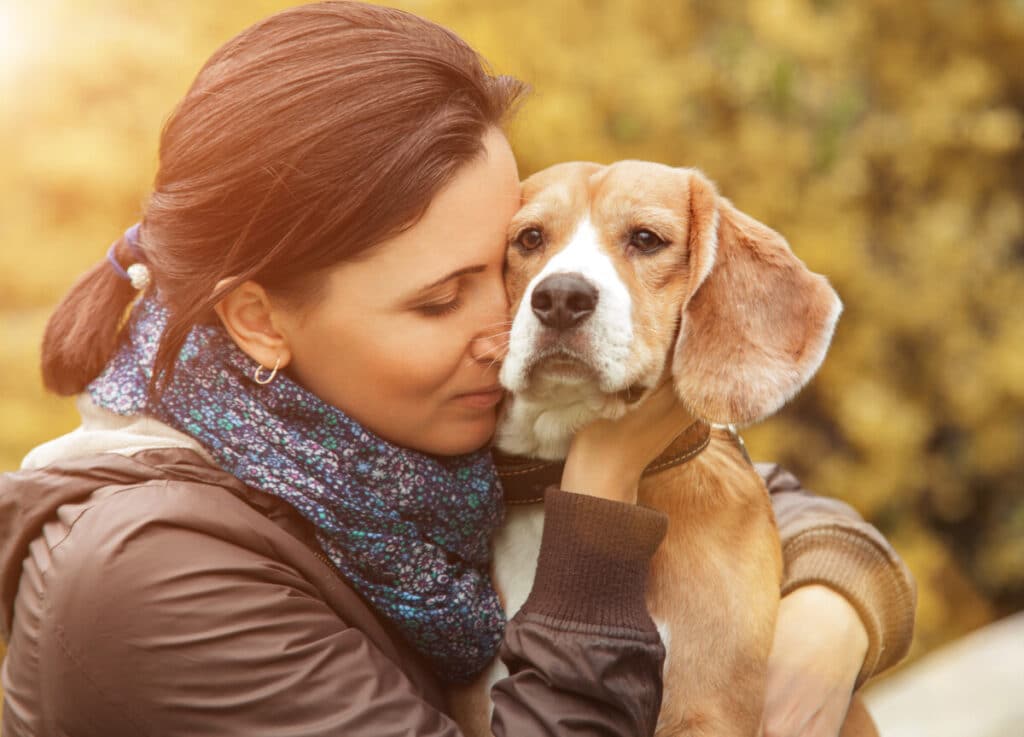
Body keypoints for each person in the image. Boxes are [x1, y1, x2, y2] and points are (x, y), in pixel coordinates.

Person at [0, 3, 915, 735]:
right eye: (441, 300)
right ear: (257, 321)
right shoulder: (149, 583)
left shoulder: (382, 441)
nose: (507, 327)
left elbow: (742, 484)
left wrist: (835, 609)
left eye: (505, 269)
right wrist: (598, 488)